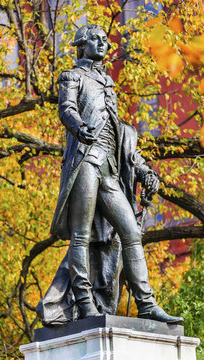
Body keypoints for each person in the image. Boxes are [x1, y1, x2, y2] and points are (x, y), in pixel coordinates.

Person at [36, 24, 183, 325]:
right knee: (81, 236)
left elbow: (123, 140)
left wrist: (143, 170)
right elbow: (66, 109)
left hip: (110, 172)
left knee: (129, 233)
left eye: (105, 40)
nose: (103, 43)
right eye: (96, 39)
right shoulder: (72, 76)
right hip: (86, 163)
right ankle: (85, 302)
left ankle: (146, 304)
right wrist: (79, 127)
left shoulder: (109, 83)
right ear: (81, 44)